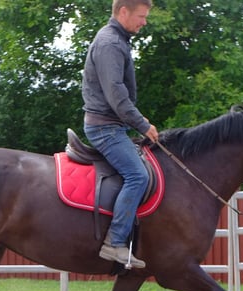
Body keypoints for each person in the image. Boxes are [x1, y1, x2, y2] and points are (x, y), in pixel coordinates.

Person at [82, 0, 159, 269]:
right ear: (123, 12)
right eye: (141, 16)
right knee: (137, 175)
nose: (144, 22)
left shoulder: (117, 40)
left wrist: (136, 120)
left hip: (112, 124)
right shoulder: (111, 44)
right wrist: (141, 124)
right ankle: (114, 243)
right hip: (105, 128)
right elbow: (116, 93)